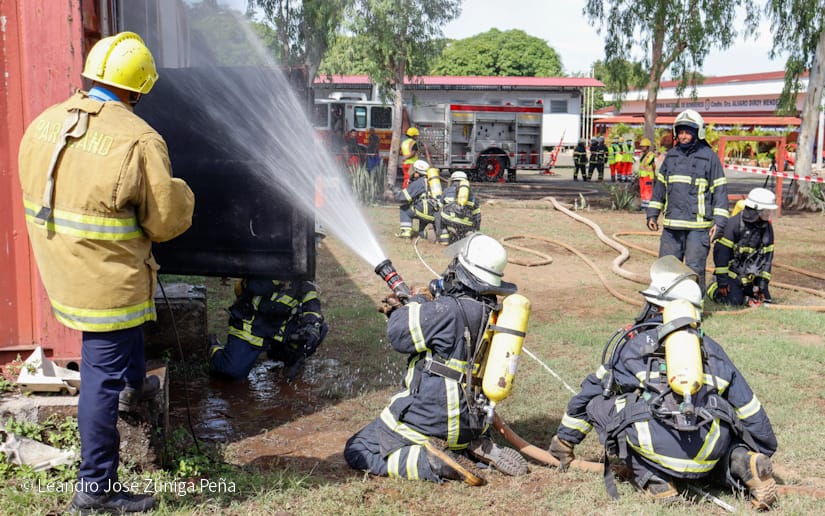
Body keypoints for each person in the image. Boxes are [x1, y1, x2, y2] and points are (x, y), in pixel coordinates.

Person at [17, 32, 195, 513]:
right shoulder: (139, 139)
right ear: (138, 88)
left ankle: (134, 386)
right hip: (105, 280)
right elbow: (164, 222)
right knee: (101, 376)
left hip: (63, 269)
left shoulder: (46, 122)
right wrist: (183, 193)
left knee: (121, 337)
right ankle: (95, 488)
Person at [549, 256, 778, 509]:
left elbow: (591, 392)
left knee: (597, 404)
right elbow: (749, 408)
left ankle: (655, 479)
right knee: (715, 438)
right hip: (708, 451)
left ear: (658, 308)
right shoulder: (712, 349)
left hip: (656, 445)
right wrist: (762, 448)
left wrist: (564, 440)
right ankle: (742, 460)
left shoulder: (633, 345)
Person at [344, 233, 528, 484]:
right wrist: (413, 308)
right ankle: (471, 447)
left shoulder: (448, 310)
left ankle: (429, 462)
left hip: (435, 422)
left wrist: (417, 301)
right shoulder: (492, 310)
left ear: (462, 271)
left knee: (359, 448)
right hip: (472, 422)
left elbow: (399, 335)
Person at [646, 109, 729, 292]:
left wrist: (719, 222)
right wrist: (652, 214)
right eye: (681, 132)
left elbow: (720, 191)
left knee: (694, 270)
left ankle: (694, 305)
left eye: (687, 132)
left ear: (698, 133)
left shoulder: (709, 157)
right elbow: (660, 188)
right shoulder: (671, 156)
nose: (683, 136)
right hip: (672, 226)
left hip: (698, 228)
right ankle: (665, 303)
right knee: (667, 269)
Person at [209, 278, 328, 381]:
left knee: (318, 329)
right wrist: (280, 278)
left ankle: (281, 355)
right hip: (252, 325)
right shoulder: (263, 266)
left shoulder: (301, 274)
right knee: (232, 372)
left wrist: (311, 326)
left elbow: (311, 303)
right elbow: (256, 287)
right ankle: (214, 347)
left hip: (279, 328)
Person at [708, 188, 777, 306]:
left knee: (766, 300)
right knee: (734, 300)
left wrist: (762, 285)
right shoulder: (733, 225)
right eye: (766, 211)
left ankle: (746, 295)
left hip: (750, 277)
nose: (768, 214)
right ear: (755, 210)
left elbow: (767, 259)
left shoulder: (767, 229)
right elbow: (721, 255)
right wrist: (722, 282)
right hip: (732, 275)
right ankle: (713, 288)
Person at [394, 159, 439, 239]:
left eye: (414, 171)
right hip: (433, 211)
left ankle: (406, 232)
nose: (412, 173)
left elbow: (405, 197)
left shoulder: (418, 182)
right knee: (421, 211)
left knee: (404, 209)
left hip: (424, 210)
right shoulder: (429, 181)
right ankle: (422, 234)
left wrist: (395, 194)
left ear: (417, 173)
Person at [435, 171, 482, 245]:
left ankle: (444, 237)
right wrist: (476, 228)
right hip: (466, 222)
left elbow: (439, 206)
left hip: (450, 219)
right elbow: (477, 213)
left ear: (453, 180)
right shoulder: (471, 194)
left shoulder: (447, 190)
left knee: (438, 213)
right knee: (462, 226)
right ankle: (460, 239)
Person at [638, 137, 656, 209]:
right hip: (642, 175)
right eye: (641, 146)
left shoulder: (650, 155)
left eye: (644, 146)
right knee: (642, 189)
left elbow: (653, 165)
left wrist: (654, 174)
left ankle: (648, 205)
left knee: (648, 190)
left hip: (648, 176)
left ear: (647, 147)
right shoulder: (642, 155)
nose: (642, 147)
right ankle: (644, 205)